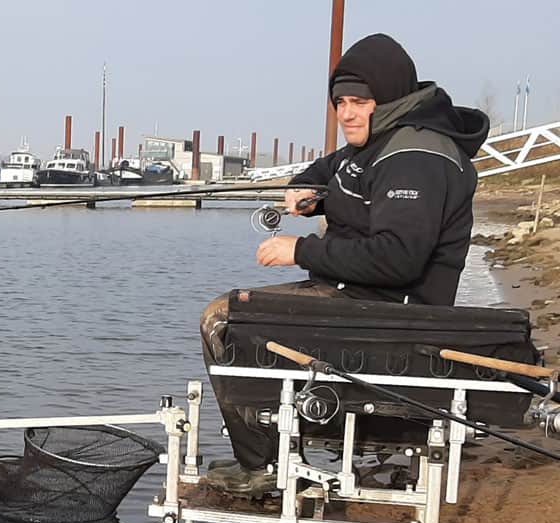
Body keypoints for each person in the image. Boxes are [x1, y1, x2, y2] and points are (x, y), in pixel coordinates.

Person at [199, 33, 490, 494]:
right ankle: (275, 451)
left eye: (359, 101)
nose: (347, 113)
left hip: (390, 314)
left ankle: (262, 465)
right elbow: (334, 168)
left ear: (389, 99)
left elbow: (397, 259)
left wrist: (300, 251)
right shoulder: (381, 137)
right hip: (353, 295)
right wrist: (304, 189)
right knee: (236, 317)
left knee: (222, 320)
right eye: (340, 102)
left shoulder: (414, 157)